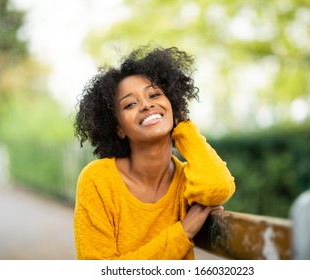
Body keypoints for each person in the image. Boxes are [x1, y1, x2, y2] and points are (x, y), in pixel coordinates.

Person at [73, 45, 235, 260]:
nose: (147, 105)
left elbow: (218, 188)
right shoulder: (97, 180)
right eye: (130, 104)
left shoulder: (189, 181)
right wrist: (183, 232)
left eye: (155, 94)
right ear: (118, 128)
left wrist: (183, 126)